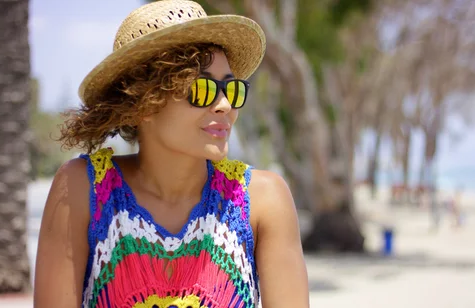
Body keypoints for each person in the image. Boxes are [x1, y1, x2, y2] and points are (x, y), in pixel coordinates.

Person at [33, 1, 309, 307]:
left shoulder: (261, 201)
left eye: (232, 90)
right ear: (144, 103)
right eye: (203, 89)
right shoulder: (83, 190)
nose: (225, 106)